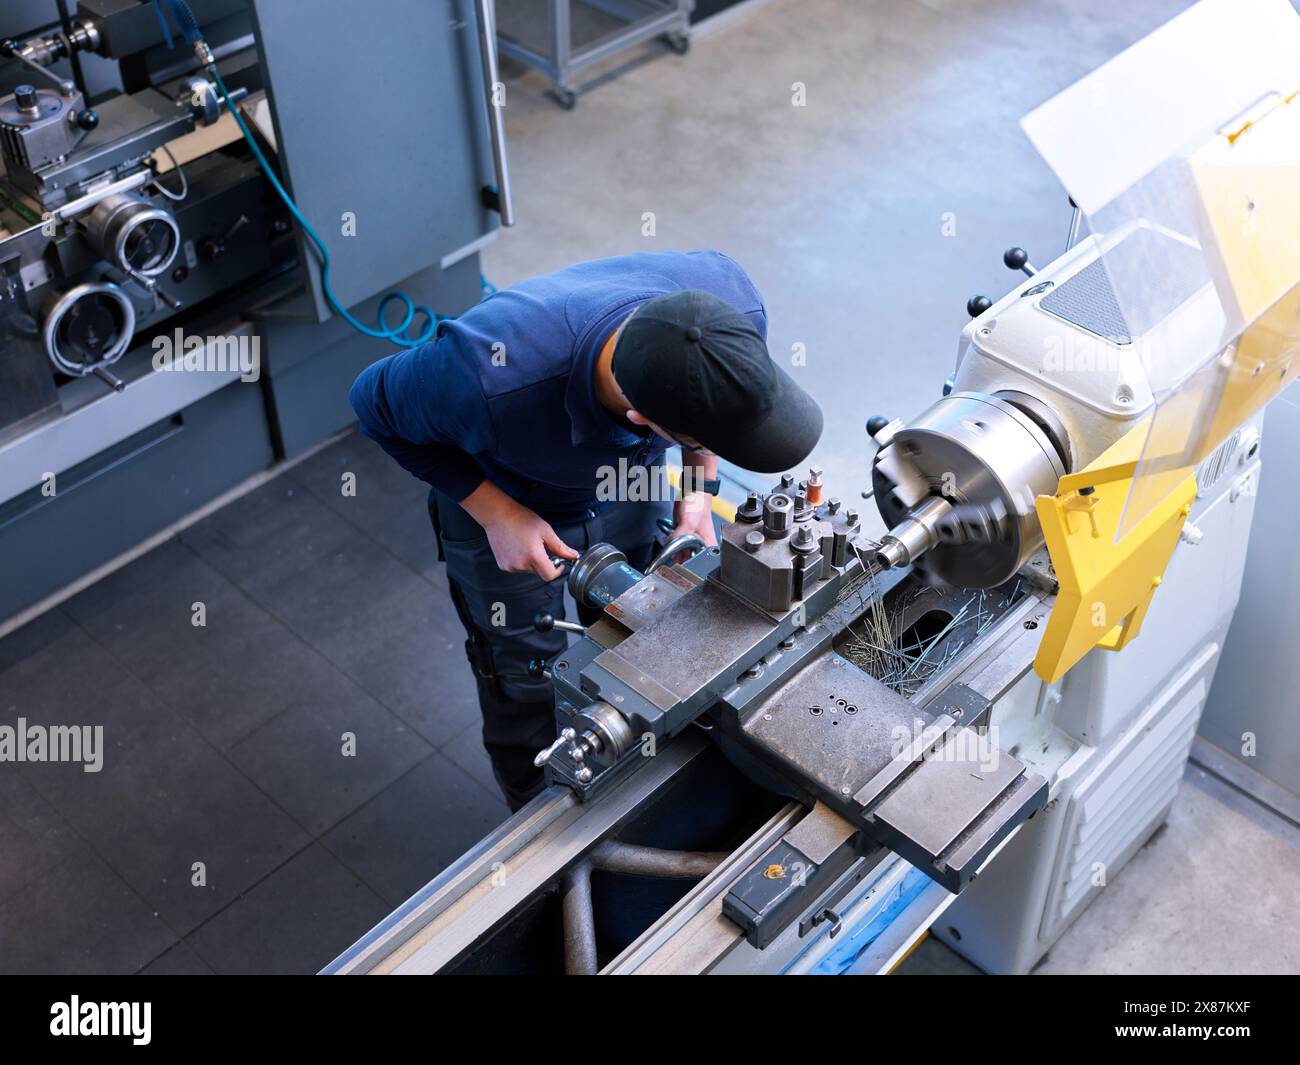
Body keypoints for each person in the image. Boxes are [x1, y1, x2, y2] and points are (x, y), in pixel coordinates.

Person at [349, 251, 822, 809]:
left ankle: (638, 763)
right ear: (643, 418)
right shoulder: (483, 374)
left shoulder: (726, 303)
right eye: (693, 439)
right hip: (507, 503)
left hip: (627, 481)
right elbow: (370, 402)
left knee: (646, 620)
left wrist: (697, 496)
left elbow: (712, 422)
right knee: (526, 676)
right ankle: (537, 822)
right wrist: (499, 516)